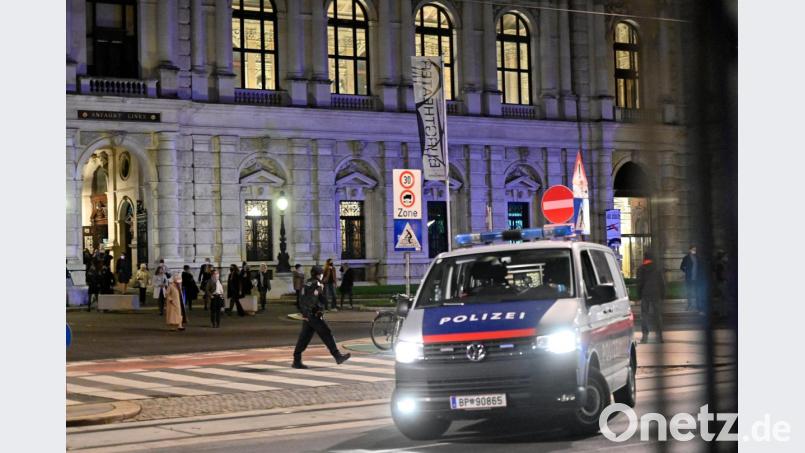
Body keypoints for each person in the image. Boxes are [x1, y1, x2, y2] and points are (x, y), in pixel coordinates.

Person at [292, 266, 351, 369]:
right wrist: (317, 308)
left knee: (304, 338)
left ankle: (296, 360)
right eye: (322, 274)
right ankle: (337, 356)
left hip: (307, 315)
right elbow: (314, 298)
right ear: (319, 274)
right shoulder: (318, 284)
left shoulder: (306, 283)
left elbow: (301, 299)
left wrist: (304, 313)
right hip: (314, 315)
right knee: (327, 334)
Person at [637, 251, 665, 343]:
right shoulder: (657, 268)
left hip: (645, 294)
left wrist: (638, 295)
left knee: (644, 315)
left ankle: (645, 336)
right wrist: (663, 294)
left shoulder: (641, 269)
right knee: (657, 315)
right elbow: (662, 282)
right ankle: (659, 336)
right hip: (656, 293)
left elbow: (639, 283)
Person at [680, 245, 701, 313]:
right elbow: (681, 267)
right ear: (690, 250)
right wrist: (686, 271)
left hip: (696, 278)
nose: (694, 250)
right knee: (689, 292)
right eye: (693, 249)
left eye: (695, 249)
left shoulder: (697, 257)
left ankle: (698, 306)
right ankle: (690, 305)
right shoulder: (686, 258)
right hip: (689, 278)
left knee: (697, 292)